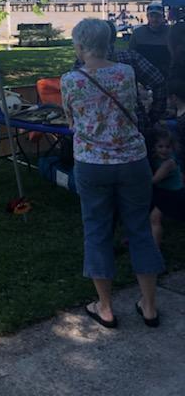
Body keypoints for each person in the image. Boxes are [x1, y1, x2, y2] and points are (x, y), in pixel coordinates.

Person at [61, 18, 164, 329]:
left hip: (92, 163)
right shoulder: (126, 72)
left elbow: (71, 121)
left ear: (79, 46)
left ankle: (105, 308)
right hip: (133, 160)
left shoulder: (70, 79)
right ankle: (149, 306)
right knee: (140, 230)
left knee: (97, 231)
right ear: (109, 42)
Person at [73, 20, 166, 135]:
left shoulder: (79, 66)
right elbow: (158, 81)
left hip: (93, 133)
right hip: (134, 129)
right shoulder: (130, 59)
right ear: (113, 38)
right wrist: (154, 115)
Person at [148, 125, 185, 246]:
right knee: (153, 218)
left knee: (155, 219)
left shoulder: (168, 163)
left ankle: (155, 249)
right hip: (165, 193)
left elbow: (154, 180)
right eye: (160, 146)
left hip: (172, 195)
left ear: (173, 148)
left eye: (167, 147)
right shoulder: (157, 158)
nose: (164, 150)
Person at [129, 1, 170, 78]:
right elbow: (131, 55)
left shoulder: (170, 33)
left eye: (157, 16)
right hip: (142, 75)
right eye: (151, 16)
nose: (154, 19)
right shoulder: (137, 33)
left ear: (163, 17)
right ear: (147, 17)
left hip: (166, 75)